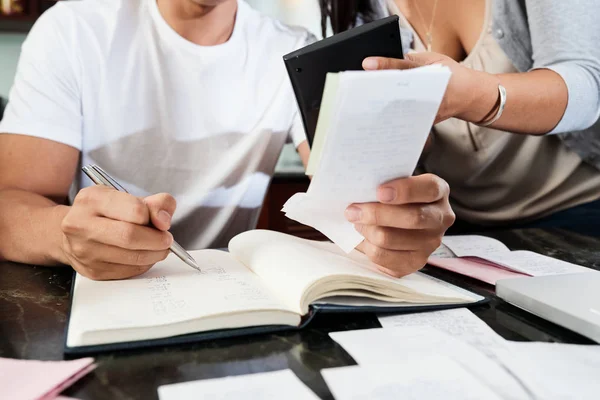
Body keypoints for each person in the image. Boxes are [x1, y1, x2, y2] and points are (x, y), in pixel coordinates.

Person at [0, 0, 454, 281]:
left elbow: (349, 184)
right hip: (104, 290)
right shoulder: (74, 30)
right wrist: (66, 238)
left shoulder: (293, 51)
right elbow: (11, 201)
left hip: (229, 294)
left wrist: (395, 224)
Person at [320, 0, 600, 236]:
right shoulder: (360, 7)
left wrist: (475, 96)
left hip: (578, 209)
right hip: (452, 224)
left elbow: (587, 89)